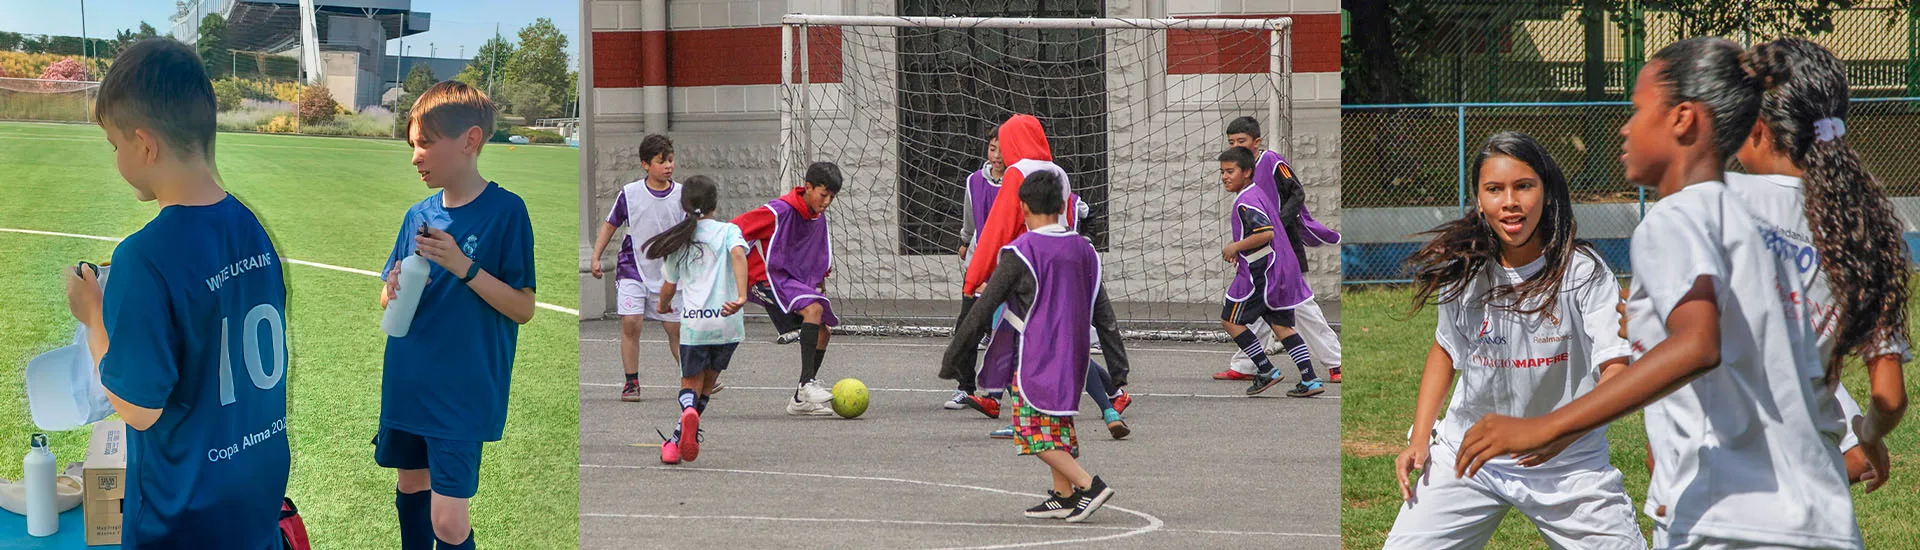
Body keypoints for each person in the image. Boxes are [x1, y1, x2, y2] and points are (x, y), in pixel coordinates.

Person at [1455, 37, 1861, 550]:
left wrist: (1546, 427)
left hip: (1728, 521)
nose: (1624, 127)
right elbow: (1771, 343)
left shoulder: (1679, 215)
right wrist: (1856, 435)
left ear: (1683, 119)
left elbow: (1698, 345)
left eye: (1637, 109)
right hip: (1818, 514)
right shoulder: (1759, 217)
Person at [63, 37, 290, 548]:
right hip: (255, 491)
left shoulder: (144, 255)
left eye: (114, 145)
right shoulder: (251, 226)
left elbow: (138, 408)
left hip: (184, 513)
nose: (117, 158)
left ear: (144, 145)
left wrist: (94, 316)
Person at [1382, 132, 1642, 549]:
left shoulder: (1583, 273)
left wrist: (1552, 432)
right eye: (1494, 189)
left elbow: (1617, 371)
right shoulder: (1465, 271)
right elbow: (1446, 350)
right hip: (1470, 455)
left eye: (1524, 186)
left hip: (1567, 461)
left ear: (1547, 191)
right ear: (1480, 199)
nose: (1510, 202)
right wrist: (1419, 439)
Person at [1726, 37, 1909, 492]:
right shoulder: (1866, 228)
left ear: (1756, 127)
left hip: (1723, 484)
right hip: (1816, 488)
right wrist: (1868, 436)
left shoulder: (1714, 198)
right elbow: (1889, 398)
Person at [376, 80, 538, 549]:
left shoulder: (506, 212)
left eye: (425, 143)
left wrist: (463, 266)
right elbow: (388, 297)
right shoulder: (417, 215)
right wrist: (392, 290)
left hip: (462, 389)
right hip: (409, 378)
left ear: (470, 141)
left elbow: (523, 307)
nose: (415, 156)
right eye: (412, 145)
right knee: (410, 489)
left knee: (447, 522)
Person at [942, 170, 1117, 522]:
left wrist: (955, 355)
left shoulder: (1021, 251)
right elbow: (1104, 312)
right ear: (1064, 204)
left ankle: (1088, 484)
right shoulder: (1083, 248)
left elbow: (984, 307)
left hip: (1036, 355)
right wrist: (1118, 364)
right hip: (1075, 353)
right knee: (1056, 424)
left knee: (1031, 430)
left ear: (1021, 206)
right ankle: (1064, 495)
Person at [1219, 117, 1344, 383]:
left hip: (1284, 248)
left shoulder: (1273, 162)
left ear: (1256, 141)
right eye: (1232, 142)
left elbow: (1297, 194)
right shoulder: (1242, 176)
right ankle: (1247, 365)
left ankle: (1336, 361)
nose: (1237, 145)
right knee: (1260, 308)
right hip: (1262, 252)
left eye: (1242, 141)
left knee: (1300, 306)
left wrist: (1279, 224)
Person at [643, 176, 750, 464]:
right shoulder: (729, 231)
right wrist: (741, 296)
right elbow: (739, 255)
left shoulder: (680, 240)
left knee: (689, 386)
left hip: (695, 324)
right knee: (707, 386)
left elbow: (669, 287)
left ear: (684, 205)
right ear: (715, 204)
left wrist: (663, 306)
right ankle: (678, 438)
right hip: (728, 323)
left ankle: (686, 416)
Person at [731, 161, 843, 415]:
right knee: (813, 310)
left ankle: (801, 400)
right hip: (766, 279)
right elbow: (734, 229)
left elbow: (817, 255)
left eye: (832, 197)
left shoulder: (817, 217)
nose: (826, 202)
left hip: (790, 282)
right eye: (823, 194)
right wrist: (739, 265)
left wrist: (819, 283)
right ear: (808, 187)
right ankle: (806, 386)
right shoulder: (778, 210)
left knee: (823, 331)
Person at [1215, 147, 1321, 397]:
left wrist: (1236, 247)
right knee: (1280, 326)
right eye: (1222, 172)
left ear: (1247, 172)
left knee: (1230, 320)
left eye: (1230, 171)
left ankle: (1265, 369)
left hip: (1260, 273)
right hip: (1280, 269)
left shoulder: (1246, 200)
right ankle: (1310, 378)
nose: (1224, 177)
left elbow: (1265, 233)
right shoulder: (1257, 193)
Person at [590, 134, 685, 402]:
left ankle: (692, 375)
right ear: (645, 164)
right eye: (661, 161)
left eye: (670, 160)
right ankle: (631, 382)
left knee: (675, 330)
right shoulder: (630, 194)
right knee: (631, 323)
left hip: (668, 272)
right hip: (632, 268)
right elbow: (610, 225)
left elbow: (691, 231)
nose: (668, 166)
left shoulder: (681, 194)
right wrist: (596, 256)